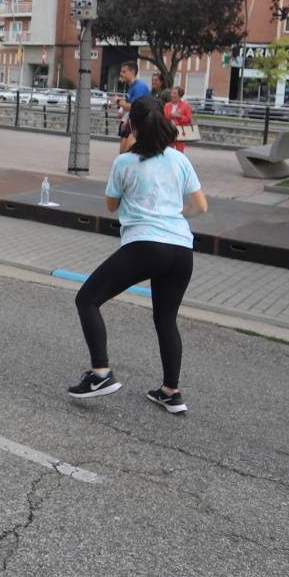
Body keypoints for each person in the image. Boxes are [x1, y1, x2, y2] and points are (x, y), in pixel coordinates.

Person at [67, 95, 208, 415]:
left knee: (87, 299)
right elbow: (201, 206)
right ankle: (171, 392)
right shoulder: (179, 160)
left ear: (132, 125)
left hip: (145, 244)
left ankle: (100, 373)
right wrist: (175, 217)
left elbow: (111, 205)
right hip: (181, 250)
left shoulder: (125, 162)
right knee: (165, 318)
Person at [115, 61, 151, 152]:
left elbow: (134, 107)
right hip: (131, 123)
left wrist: (119, 101)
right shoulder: (131, 86)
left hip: (139, 126)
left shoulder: (139, 87)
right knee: (123, 153)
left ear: (132, 72)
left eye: (124, 71)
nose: (121, 74)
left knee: (128, 154)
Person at [163, 82, 197, 152]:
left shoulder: (185, 106)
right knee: (168, 150)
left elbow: (188, 119)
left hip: (180, 131)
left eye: (174, 93)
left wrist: (180, 117)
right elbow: (164, 116)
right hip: (169, 131)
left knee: (179, 151)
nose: (172, 95)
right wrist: (172, 115)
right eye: (172, 93)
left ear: (180, 95)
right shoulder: (167, 105)